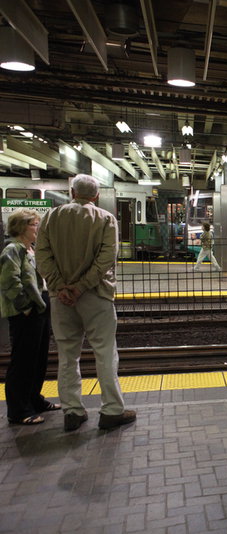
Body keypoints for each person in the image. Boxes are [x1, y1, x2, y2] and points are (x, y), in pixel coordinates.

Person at [35, 174, 136, 432]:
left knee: (67, 356)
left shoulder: (51, 217)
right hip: (96, 296)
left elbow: (42, 257)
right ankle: (112, 410)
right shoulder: (105, 219)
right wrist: (80, 287)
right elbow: (105, 260)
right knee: (104, 353)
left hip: (61, 298)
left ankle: (72, 411)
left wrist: (60, 286)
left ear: (71, 192)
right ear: (96, 195)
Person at [0, 209, 60, 425]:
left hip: (40, 308)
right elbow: (9, 282)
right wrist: (25, 307)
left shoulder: (30, 249)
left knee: (38, 358)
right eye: (34, 224)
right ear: (22, 226)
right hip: (26, 312)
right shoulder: (12, 250)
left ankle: (34, 399)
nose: (38, 228)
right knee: (23, 360)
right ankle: (18, 410)